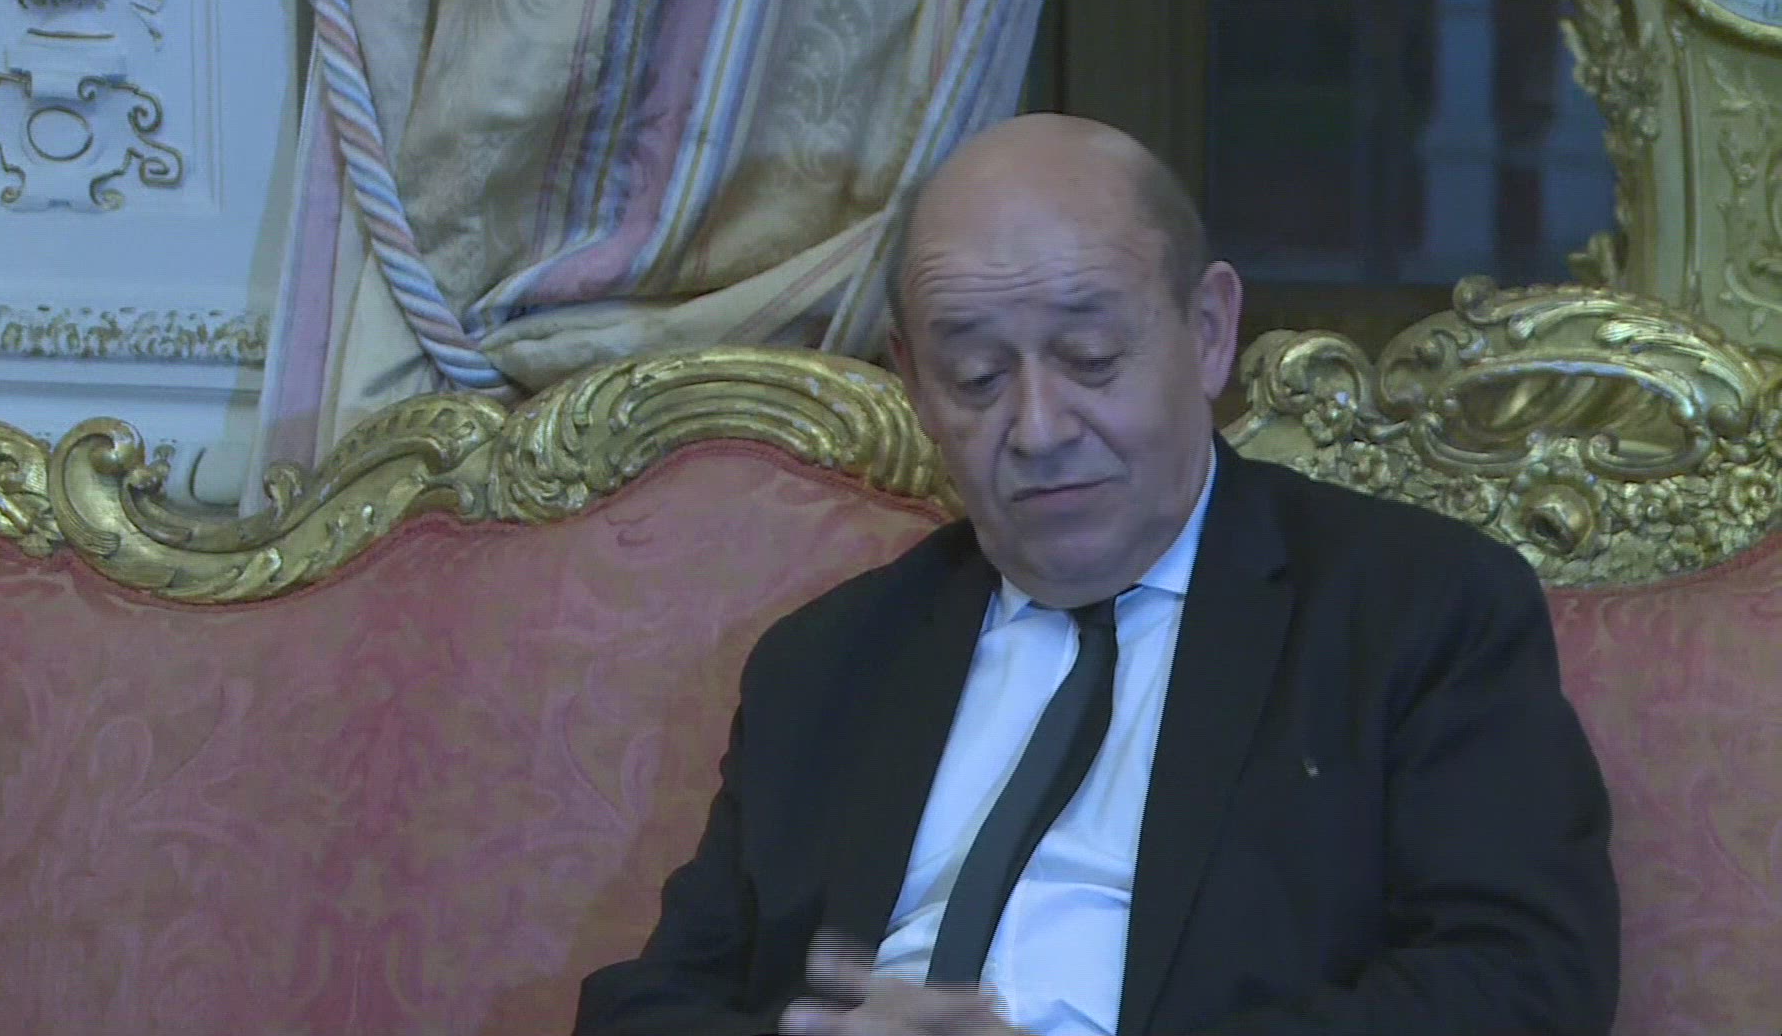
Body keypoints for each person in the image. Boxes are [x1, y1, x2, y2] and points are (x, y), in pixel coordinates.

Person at [573, 113, 1619, 1036]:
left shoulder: (1411, 610)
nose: (1038, 429)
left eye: (1090, 358)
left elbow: (1520, 982)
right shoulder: (827, 664)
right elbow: (645, 1008)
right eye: (977, 376)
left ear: (1208, 333)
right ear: (916, 384)